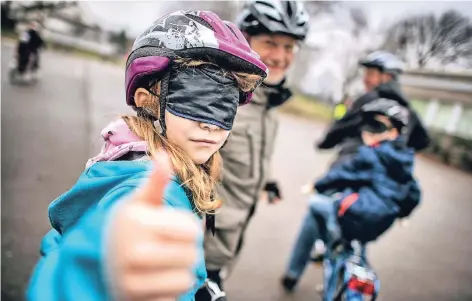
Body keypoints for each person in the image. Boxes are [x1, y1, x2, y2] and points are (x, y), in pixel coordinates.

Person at [26, 10, 267, 301]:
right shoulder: (147, 192)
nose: (211, 123)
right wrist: (104, 281)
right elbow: (90, 274)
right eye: (196, 98)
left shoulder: (145, 159)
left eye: (225, 106)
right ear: (147, 101)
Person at [199, 1, 310, 298]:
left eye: (289, 47)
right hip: (196, 254)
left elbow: (247, 153)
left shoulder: (266, 104)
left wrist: (267, 180)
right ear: (245, 39)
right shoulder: (221, 97)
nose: (280, 56)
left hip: (226, 248)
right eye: (270, 43)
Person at [281, 98, 421, 292]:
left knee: (316, 206)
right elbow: (414, 192)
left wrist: (316, 185)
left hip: (357, 213)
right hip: (381, 220)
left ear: (394, 132)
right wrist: (404, 213)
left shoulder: (371, 154)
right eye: (368, 124)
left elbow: (343, 173)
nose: (369, 130)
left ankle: (295, 272)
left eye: (377, 125)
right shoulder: (404, 159)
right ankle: (352, 270)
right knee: (355, 246)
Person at [317, 51, 430, 167]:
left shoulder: (369, 100)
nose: (365, 79)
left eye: (370, 74)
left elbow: (341, 127)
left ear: (387, 76)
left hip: (354, 167)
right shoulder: (408, 110)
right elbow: (423, 141)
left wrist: (324, 143)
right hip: (388, 177)